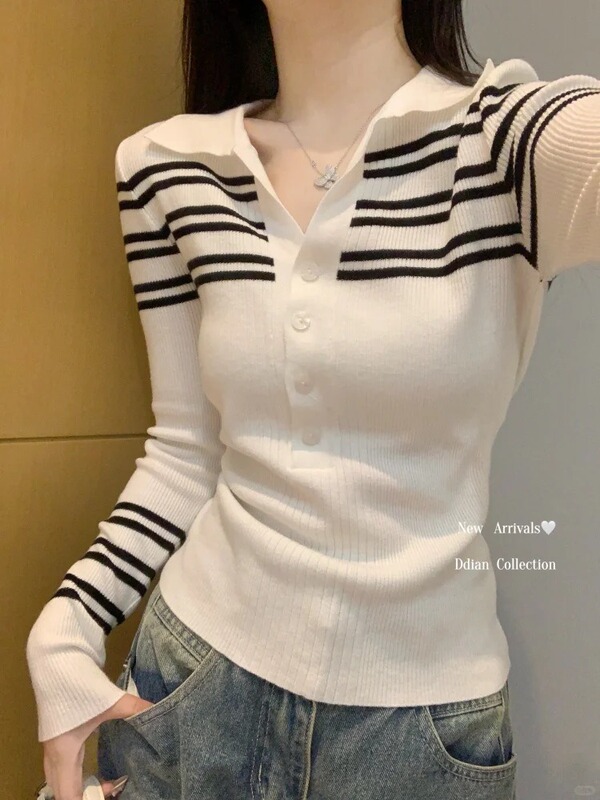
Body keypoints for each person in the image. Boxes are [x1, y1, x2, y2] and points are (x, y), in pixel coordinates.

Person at [26, 0, 600, 798]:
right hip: (190, 688)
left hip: (423, 737)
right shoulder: (166, 167)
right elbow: (187, 453)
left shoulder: (511, 142)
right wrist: (64, 628)